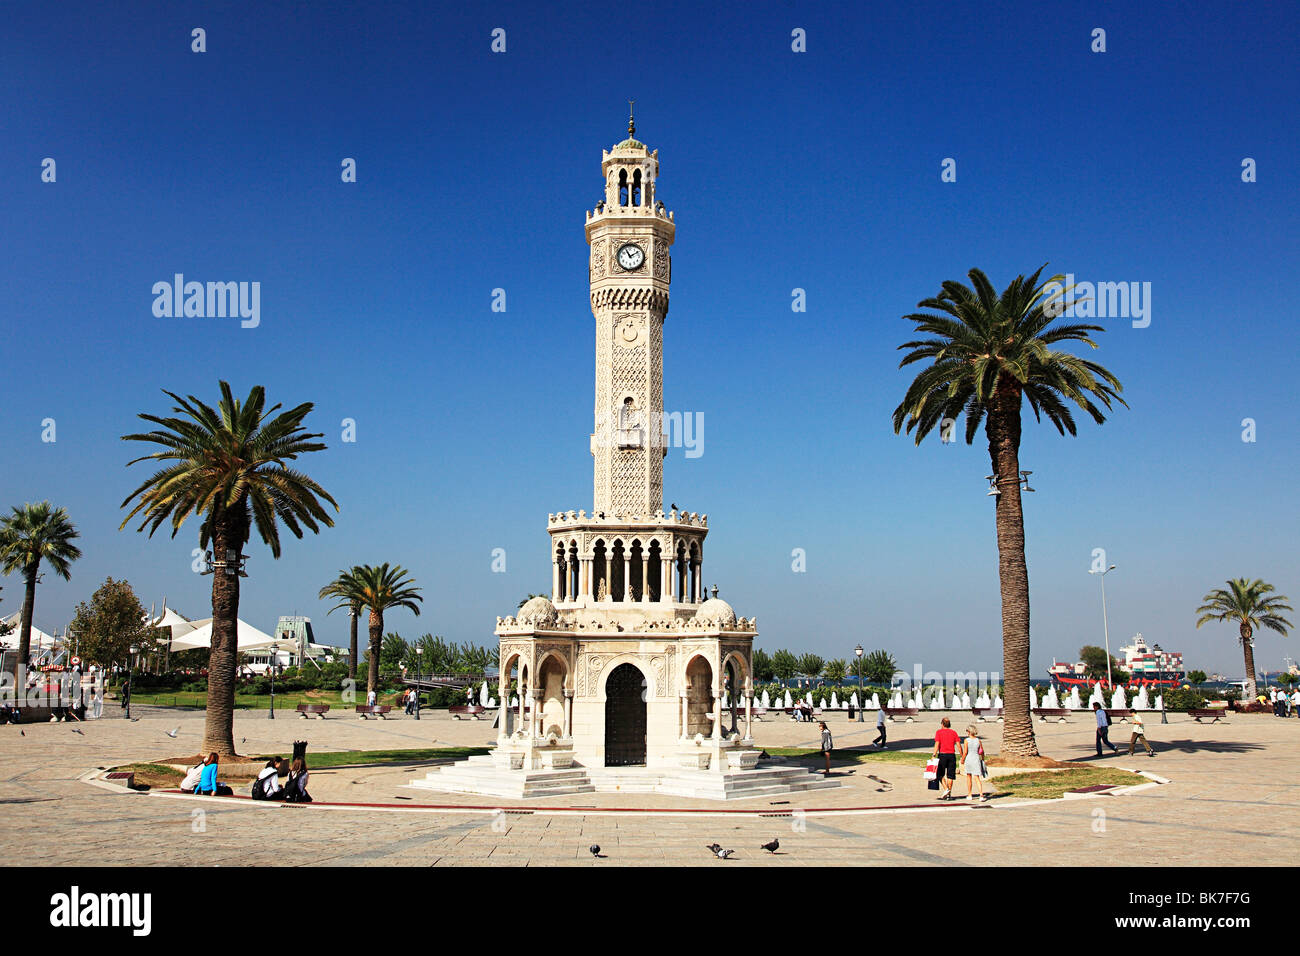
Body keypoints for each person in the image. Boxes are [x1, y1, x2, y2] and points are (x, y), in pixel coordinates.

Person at [932, 717, 961, 800]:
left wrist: (934, 754)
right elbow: (958, 745)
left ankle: (946, 789)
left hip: (942, 755)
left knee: (939, 774)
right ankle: (949, 794)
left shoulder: (939, 732)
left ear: (942, 724)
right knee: (950, 776)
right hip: (952, 755)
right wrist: (962, 755)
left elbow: (937, 744)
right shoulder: (954, 732)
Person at [961, 725, 989, 802]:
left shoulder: (966, 740)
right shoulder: (978, 740)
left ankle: (970, 794)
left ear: (969, 732)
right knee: (977, 777)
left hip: (969, 759)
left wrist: (962, 760)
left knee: (969, 776)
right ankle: (981, 794)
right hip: (976, 758)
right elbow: (982, 751)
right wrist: (982, 759)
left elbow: (965, 751)